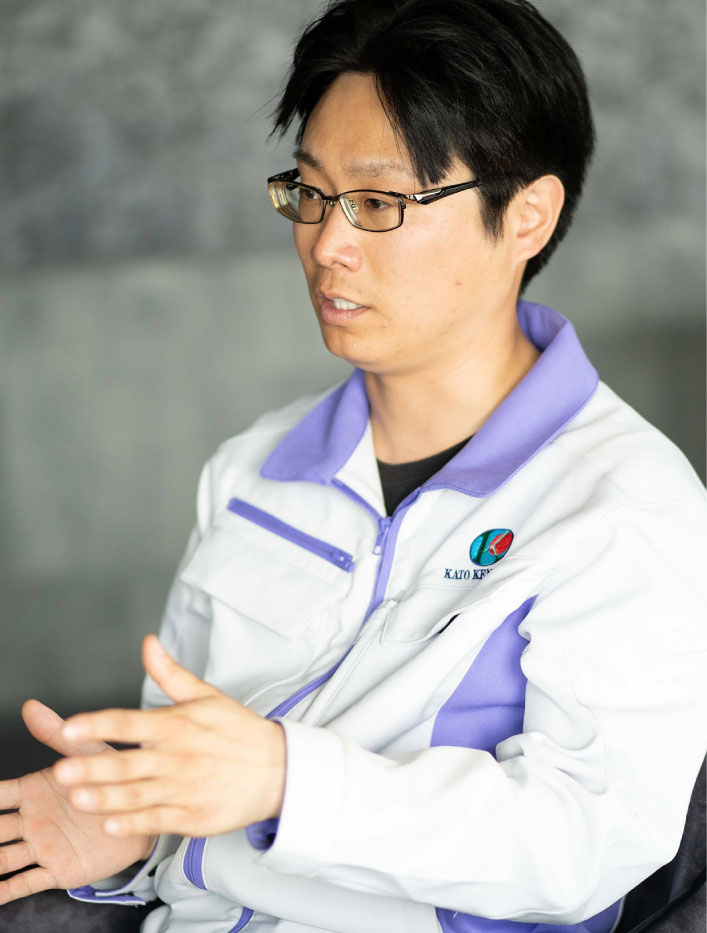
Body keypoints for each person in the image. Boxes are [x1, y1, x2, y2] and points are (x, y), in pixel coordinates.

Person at [1, 1, 705, 931]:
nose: (326, 245)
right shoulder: (252, 470)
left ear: (527, 216)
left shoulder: (625, 506)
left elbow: (584, 844)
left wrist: (290, 780)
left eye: (377, 204)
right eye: (309, 190)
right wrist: (131, 822)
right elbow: (193, 783)